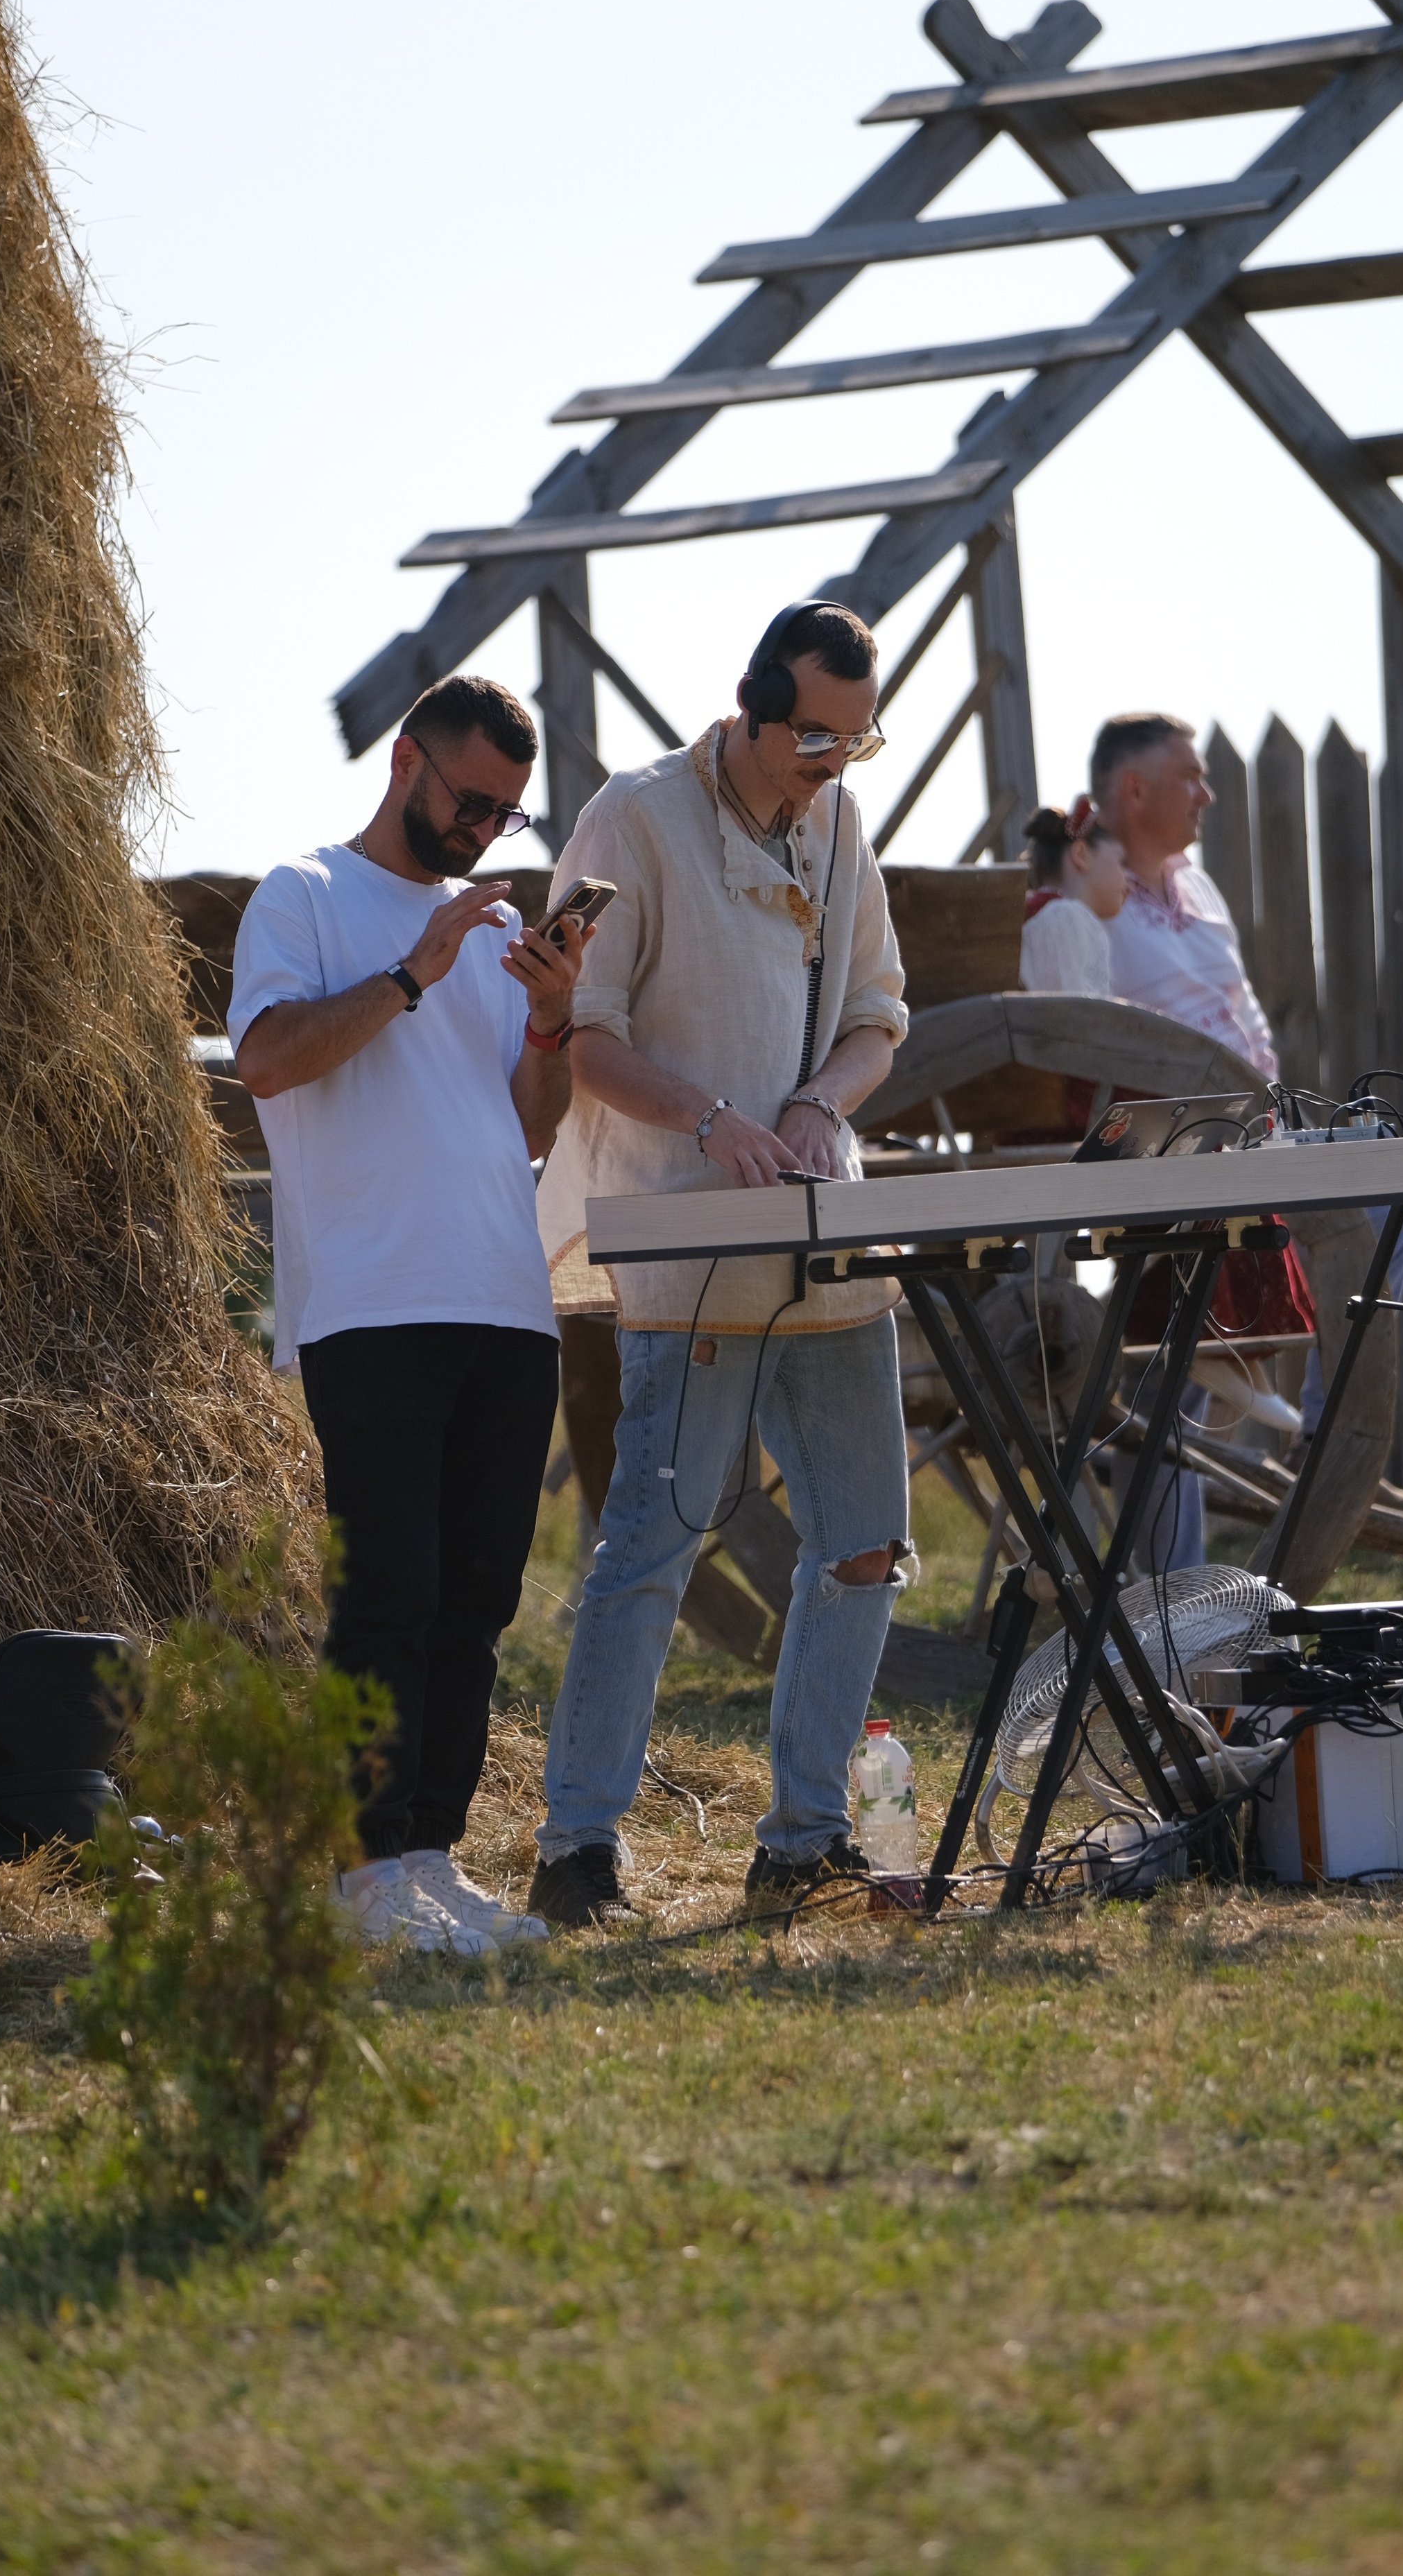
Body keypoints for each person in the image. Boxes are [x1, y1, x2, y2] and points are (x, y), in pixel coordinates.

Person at [531, 600, 912, 1926]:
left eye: (858, 738)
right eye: (815, 733)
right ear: (751, 707)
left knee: (867, 1542)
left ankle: (806, 1840)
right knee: (654, 1540)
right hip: (686, 1239)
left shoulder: (842, 824)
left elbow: (877, 1019)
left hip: (827, 1234)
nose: (835, 761)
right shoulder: (628, 821)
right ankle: (578, 1845)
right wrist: (710, 1116)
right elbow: (578, 1030)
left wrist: (818, 1107)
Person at [230, 674, 589, 1956]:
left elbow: (529, 1127)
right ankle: (361, 1877)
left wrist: (549, 1020)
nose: (485, 831)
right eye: (471, 801)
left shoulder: (486, 928)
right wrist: (413, 974)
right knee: (389, 1591)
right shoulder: (307, 896)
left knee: (477, 1600)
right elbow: (266, 1059)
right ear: (405, 760)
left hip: (504, 1296)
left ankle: (428, 1860)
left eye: (505, 815)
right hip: (373, 1301)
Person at [1087, 711, 1403, 1568]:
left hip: (1248, 1131)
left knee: (1390, 1205)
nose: (1207, 793)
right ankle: (1170, 1591)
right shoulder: (1083, 885)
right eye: (1189, 776)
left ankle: (1320, 1434)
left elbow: (1242, 1011)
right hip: (1158, 1148)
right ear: (1133, 790)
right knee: (1178, 1355)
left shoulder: (1196, 888)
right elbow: (1069, 1029)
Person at [1019, 799, 1128, 996]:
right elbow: (1071, 1018)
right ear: (1081, 855)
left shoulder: (1043, 913)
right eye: (1122, 862)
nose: (1128, 880)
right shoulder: (1063, 917)